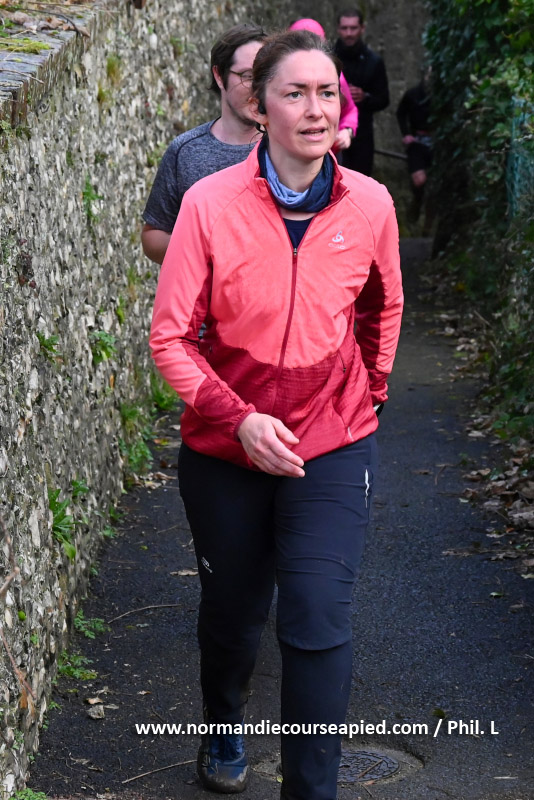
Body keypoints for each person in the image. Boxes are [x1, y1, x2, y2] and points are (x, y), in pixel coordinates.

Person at [150, 29, 403, 799]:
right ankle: (224, 718)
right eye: (295, 93)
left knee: (318, 616)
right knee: (234, 616)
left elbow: (381, 310)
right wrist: (240, 421)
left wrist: (365, 400)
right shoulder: (208, 203)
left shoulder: (371, 203)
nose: (316, 108)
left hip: (331, 442)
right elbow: (171, 339)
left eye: (327, 92)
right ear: (260, 108)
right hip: (227, 450)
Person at [141, 23, 268, 265]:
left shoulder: (287, 148)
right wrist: (205, 248)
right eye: (247, 76)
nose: (257, 87)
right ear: (219, 76)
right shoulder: (186, 151)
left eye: (264, 76)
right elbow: (153, 236)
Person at [288, 18, 358, 156]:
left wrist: (347, 131)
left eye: (326, 93)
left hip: (328, 155)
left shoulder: (335, 76)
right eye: (295, 94)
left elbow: (350, 110)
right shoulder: (279, 77)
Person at [333, 8, 389, 176]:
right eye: (344, 28)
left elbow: (384, 99)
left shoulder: (374, 62)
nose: (349, 33)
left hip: (362, 135)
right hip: (334, 132)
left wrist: (365, 97)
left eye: (353, 28)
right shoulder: (328, 58)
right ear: (338, 29)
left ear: (362, 28)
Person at [396, 69, 433, 223]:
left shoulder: (442, 96)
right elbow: (400, 113)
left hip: (437, 142)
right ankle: (417, 204)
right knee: (419, 180)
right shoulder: (413, 94)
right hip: (417, 142)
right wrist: (406, 134)